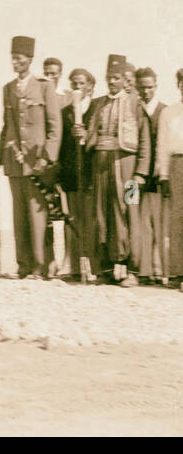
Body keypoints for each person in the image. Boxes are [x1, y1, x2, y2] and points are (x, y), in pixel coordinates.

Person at [0, 35, 62, 279]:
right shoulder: (8, 89)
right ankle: (23, 265)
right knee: (19, 215)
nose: (16, 63)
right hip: (15, 161)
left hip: (37, 162)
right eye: (13, 59)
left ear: (30, 60)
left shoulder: (44, 87)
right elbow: (7, 127)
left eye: (20, 59)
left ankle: (40, 266)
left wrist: (47, 157)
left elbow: (55, 126)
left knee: (38, 215)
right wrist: (0, 158)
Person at [83, 57, 149, 286]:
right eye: (109, 78)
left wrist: (140, 172)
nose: (112, 82)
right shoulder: (99, 103)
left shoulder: (134, 103)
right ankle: (106, 268)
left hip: (128, 169)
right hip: (101, 167)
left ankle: (133, 270)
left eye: (116, 78)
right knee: (102, 214)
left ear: (124, 79)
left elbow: (145, 140)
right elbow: (90, 135)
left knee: (130, 214)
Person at [59, 69, 95, 279]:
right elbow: (63, 145)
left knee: (89, 219)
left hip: (91, 172)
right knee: (72, 219)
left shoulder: (98, 107)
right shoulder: (66, 113)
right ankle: (72, 266)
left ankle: (91, 265)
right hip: (72, 173)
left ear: (90, 85)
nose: (78, 87)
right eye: (74, 84)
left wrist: (87, 134)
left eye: (81, 83)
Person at [132, 67, 165, 280]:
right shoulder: (130, 109)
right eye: (142, 87)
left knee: (158, 224)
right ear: (136, 87)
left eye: (150, 87)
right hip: (131, 178)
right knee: (134, 220)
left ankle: (160, 269)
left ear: (156, 86)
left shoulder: (165, 110)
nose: (146, 92)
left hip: (156, 180)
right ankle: (138, 270)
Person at [155, 69, 183, 286]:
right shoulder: (169, 113)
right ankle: (177, 273)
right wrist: (163, 174)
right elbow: (162, 145)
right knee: (177, 220)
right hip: (177, 165)